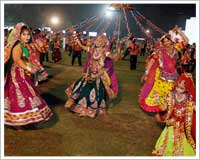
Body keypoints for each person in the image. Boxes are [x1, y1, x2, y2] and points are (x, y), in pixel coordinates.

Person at [4, 23, 52, 129]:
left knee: (28, 93)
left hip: (22, 73)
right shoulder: (17, 46)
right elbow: (17, 60)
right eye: (24, 34)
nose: (27, 37)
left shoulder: (24, 45)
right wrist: (29, 68)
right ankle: (17, 121)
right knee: (19, 95)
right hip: (15, 75)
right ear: (18, 35)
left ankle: (26, 118)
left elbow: (29, 57)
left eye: (28, 34)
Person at [139, 26, 189, 122]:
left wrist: (179, 31)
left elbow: (186, 41)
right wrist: (146, 73)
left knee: (169, 98)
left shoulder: (176, 48)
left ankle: (167, 115)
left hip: (173, 78)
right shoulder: (160, 51)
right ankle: (157, 114)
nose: (166, 42)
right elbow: (152, 62)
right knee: (157, 96)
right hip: (161, 78)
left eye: (168, 40)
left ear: (171, 41)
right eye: (164, 41)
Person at [65, 35, 120, 118]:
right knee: (83, 91)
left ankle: (90, 111)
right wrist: (76, 39)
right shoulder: (92, 49)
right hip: (89, 74)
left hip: (98, 76)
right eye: (96, 40)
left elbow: (113, 58)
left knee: (95, 95)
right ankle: (83, 110)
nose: (97, 42)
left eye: (99, 41)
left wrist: (118, 53)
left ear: (103, 43)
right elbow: (82, 47)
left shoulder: (105, 52)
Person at [152, 73, 196, 156]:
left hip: (182, 130)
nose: (178, 90)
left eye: (181, 88)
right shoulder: (171, 95)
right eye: (177, 87)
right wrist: (158, 100)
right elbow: (164, 108)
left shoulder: (189, 100)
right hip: (170, 126)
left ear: (186, 89)